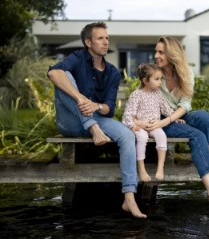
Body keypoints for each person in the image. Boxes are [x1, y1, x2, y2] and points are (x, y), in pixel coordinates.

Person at [47, 21, 146, 218]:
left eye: (107, 38)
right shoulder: (77, 58)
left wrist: (96, 106)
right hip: (71, 122)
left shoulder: (112, 72)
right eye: (100, 38)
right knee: (63, 75)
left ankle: (129, 197)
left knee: (127, 135)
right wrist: (82, 100)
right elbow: (52, 72)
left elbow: (109, 108)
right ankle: (90, 125)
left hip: (98, 118)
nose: (105, 42)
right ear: (88, 42)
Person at [134, 36, 209, 211]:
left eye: (161, 52)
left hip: (174, 117)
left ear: (172, 54)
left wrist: (170, 118)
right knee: (196, 135)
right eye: (156, 51)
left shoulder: (186, 73)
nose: (156, 55)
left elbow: (186, 105)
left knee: (203, 116)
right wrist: (157, 121)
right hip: (159, 120)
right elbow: (141, 97)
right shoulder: (153, 73)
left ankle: (208, 156)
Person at [122, 63, 185, 182]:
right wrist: (133, 125)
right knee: (142, 138)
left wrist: (173, 117)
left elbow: (165, 108)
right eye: (156, 79)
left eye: (160, 78)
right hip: (140, 126)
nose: (160, 82)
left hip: (154, 125)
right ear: (145, 80)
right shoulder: (136, 95)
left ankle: (160, 166)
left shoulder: (158, 94)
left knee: (161, 136)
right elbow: (128, 114)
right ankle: (141, 167)